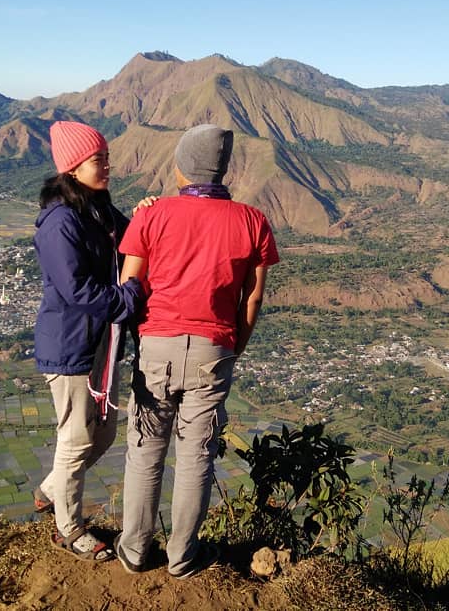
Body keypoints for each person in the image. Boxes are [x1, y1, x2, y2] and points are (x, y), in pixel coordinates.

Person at [114, 124, 280, 578]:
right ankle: (182, 558)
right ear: (223, 169)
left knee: (146, 450)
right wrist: (233, 348)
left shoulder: (153, 214)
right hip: (215, 349)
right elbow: (253, 297)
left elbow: (131, 285)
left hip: (157, 347)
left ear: (181, 167)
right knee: (196, 456)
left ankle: (133, 551)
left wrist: (142, 338)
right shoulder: (252, 220)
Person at [32, 120, 145, 562]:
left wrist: (151, 214)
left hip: (100, 344)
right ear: (73, 167)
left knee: (103, 435)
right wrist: (130, 298)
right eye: (99, 159)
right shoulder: (60, 223)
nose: (107, 166)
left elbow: (131, 235)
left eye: (105, 157)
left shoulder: (96, 208)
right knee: (77, 440)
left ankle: (48, 491)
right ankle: (69, 528)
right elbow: (77, 290)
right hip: (71, 347)